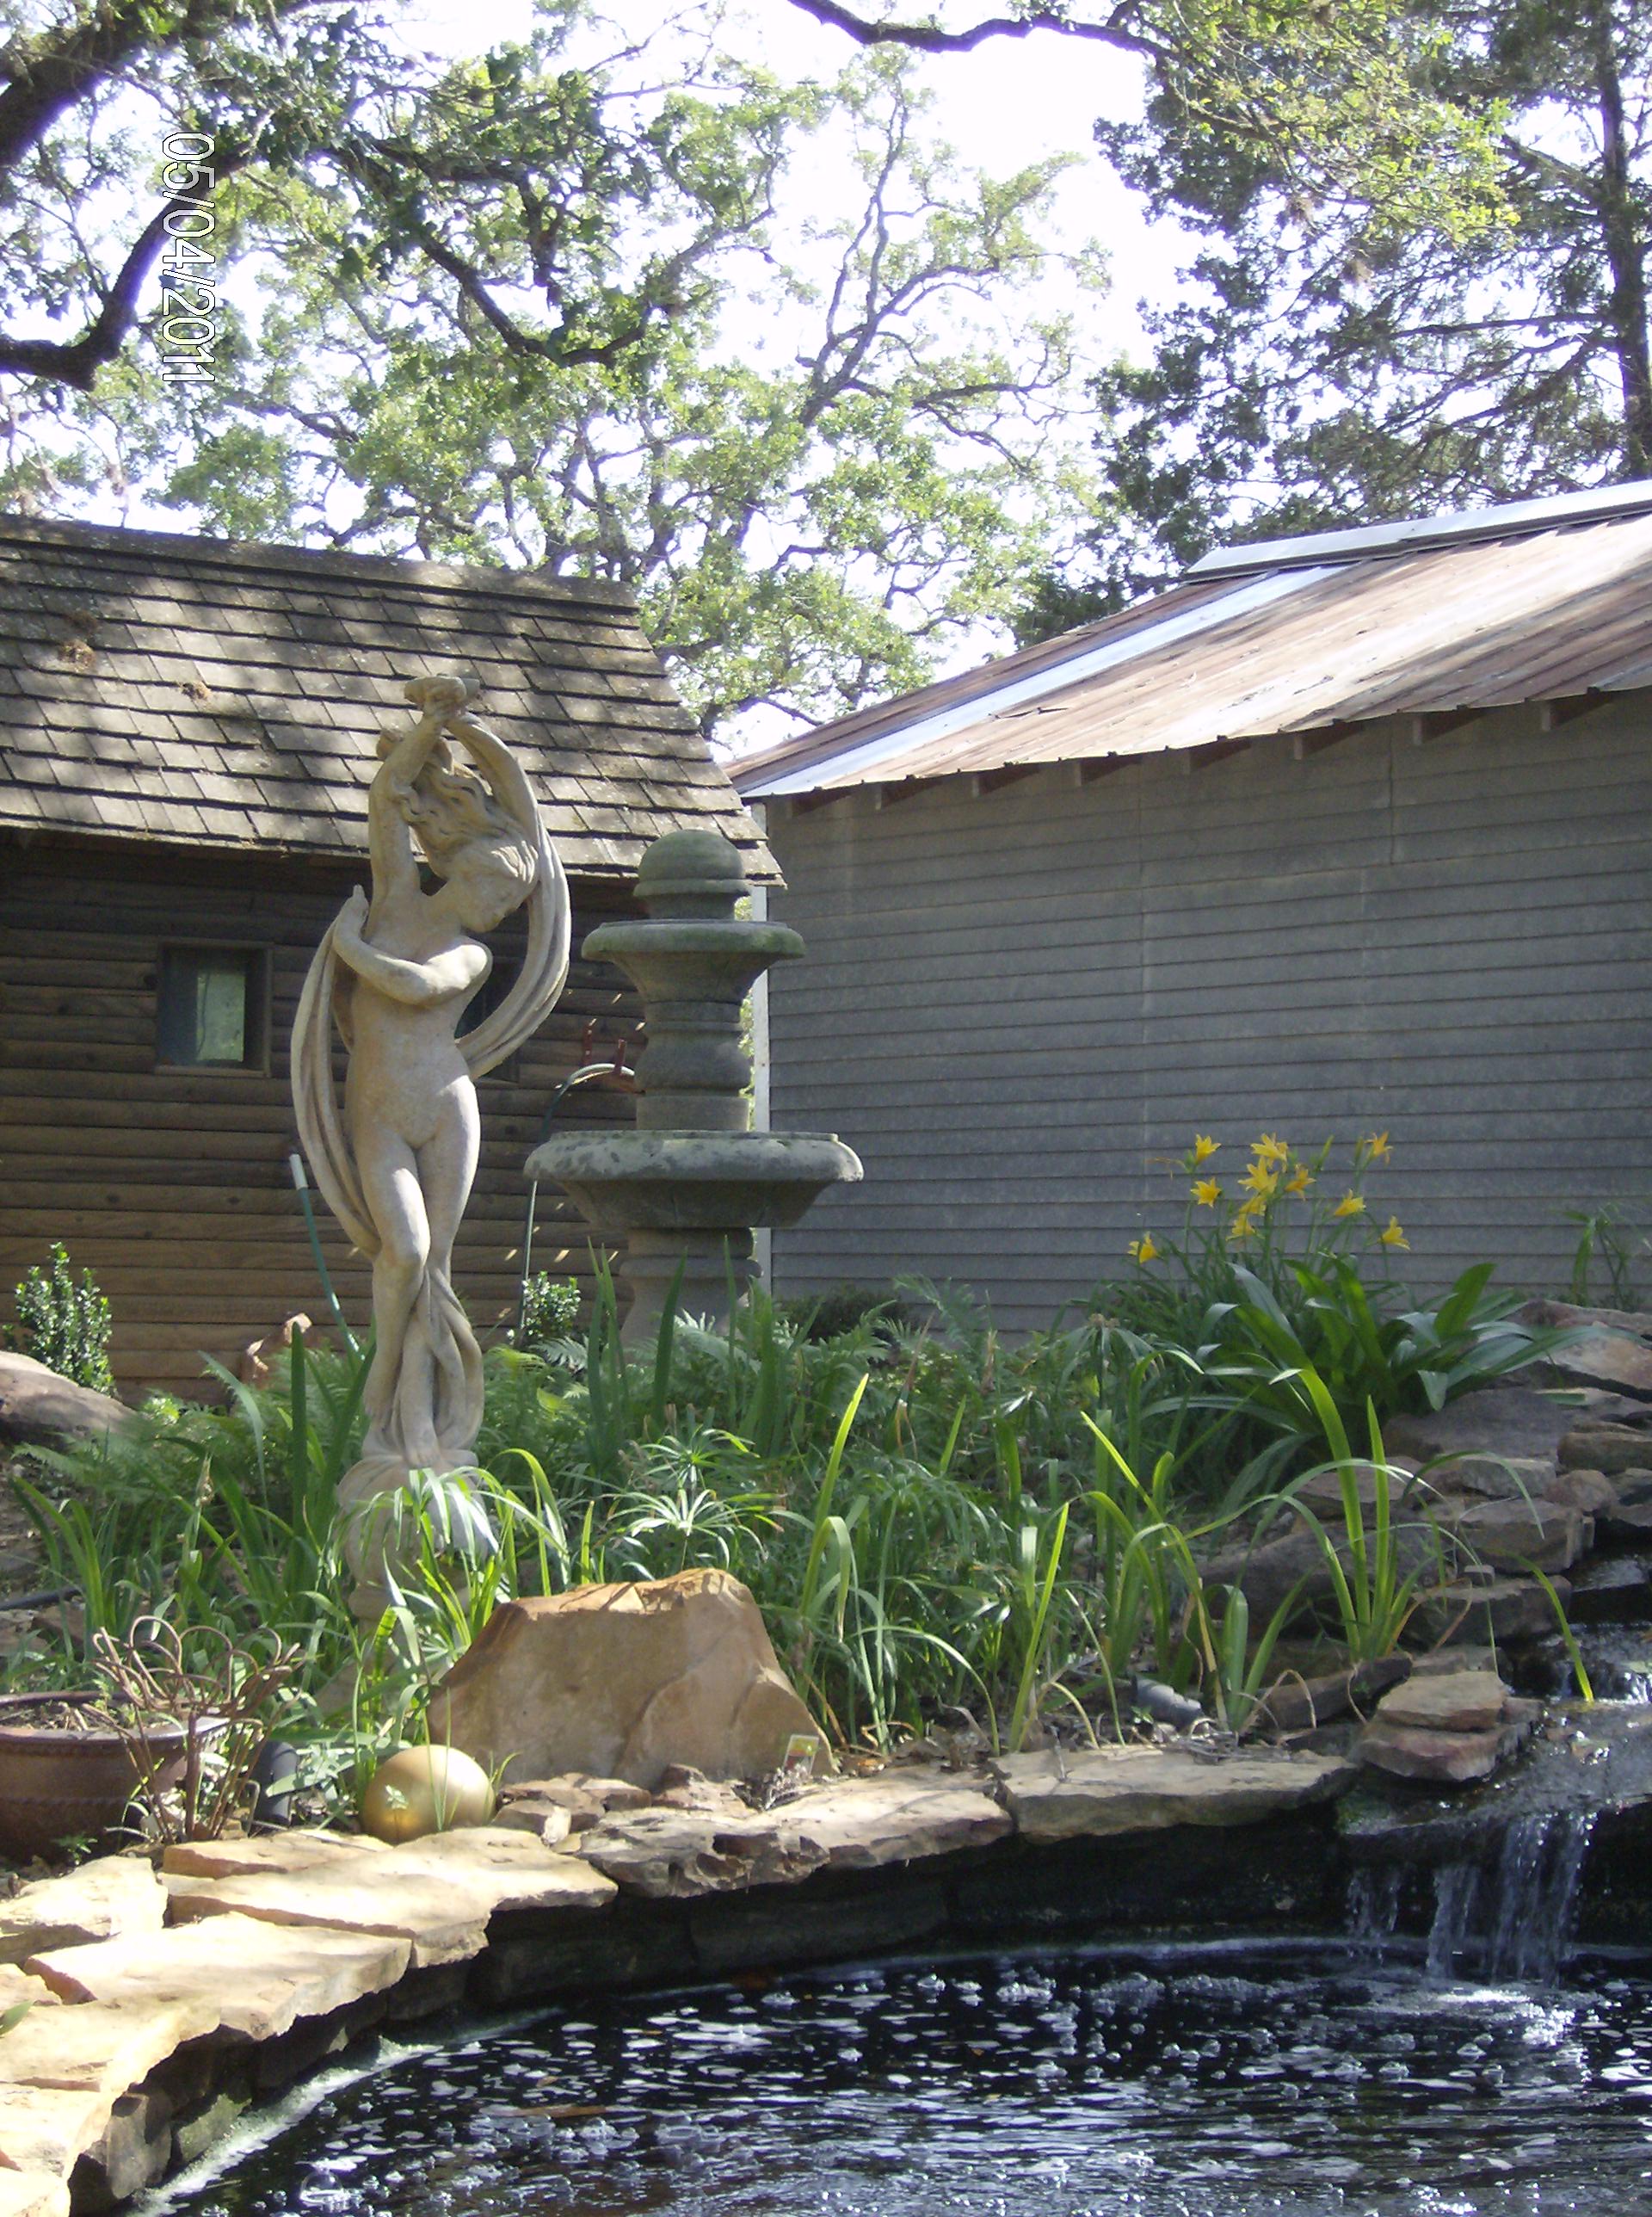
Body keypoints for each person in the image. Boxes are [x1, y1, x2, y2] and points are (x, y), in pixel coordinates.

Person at [292, 673, 570, 1596]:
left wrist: (348, 950)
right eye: (492, 883)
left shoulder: (475, 949)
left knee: (437, 1269)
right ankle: (384, 1400)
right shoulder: (397, 890)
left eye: (503, 895)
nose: (494, 904)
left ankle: (423, 1434)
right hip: (378, 1110)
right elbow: (384, 797)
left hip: (445, 1105)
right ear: (463, 862)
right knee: (403, 1254)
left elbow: (415, 988)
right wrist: (435, 728)